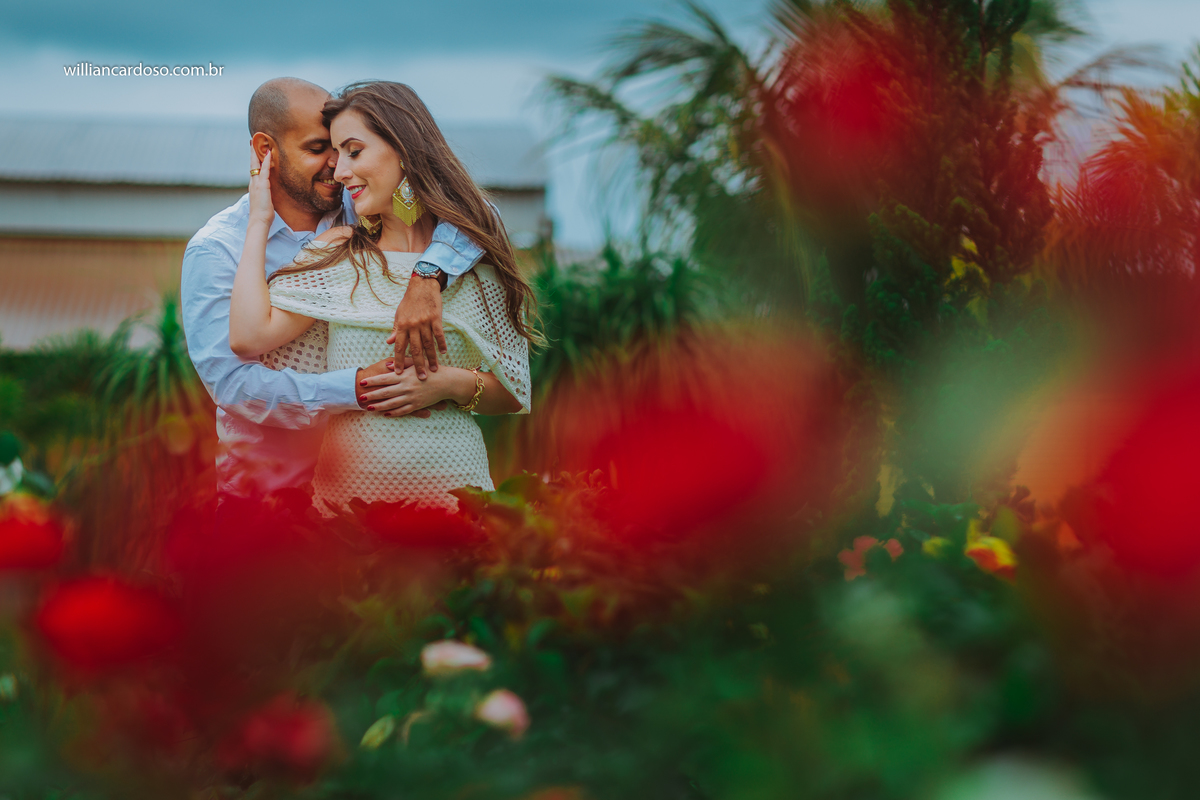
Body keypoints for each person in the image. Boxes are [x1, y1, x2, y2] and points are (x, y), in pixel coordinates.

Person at [228, 81, 536, 512]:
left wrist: (447, 384)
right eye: (337, 157)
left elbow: (515, 390)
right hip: (347, 508)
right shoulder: (339, 252)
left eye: (354, 152)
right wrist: (259, 220)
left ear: (405, 150)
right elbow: (247, 336)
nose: (339, 173)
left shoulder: (471, 261)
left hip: (456, 498)